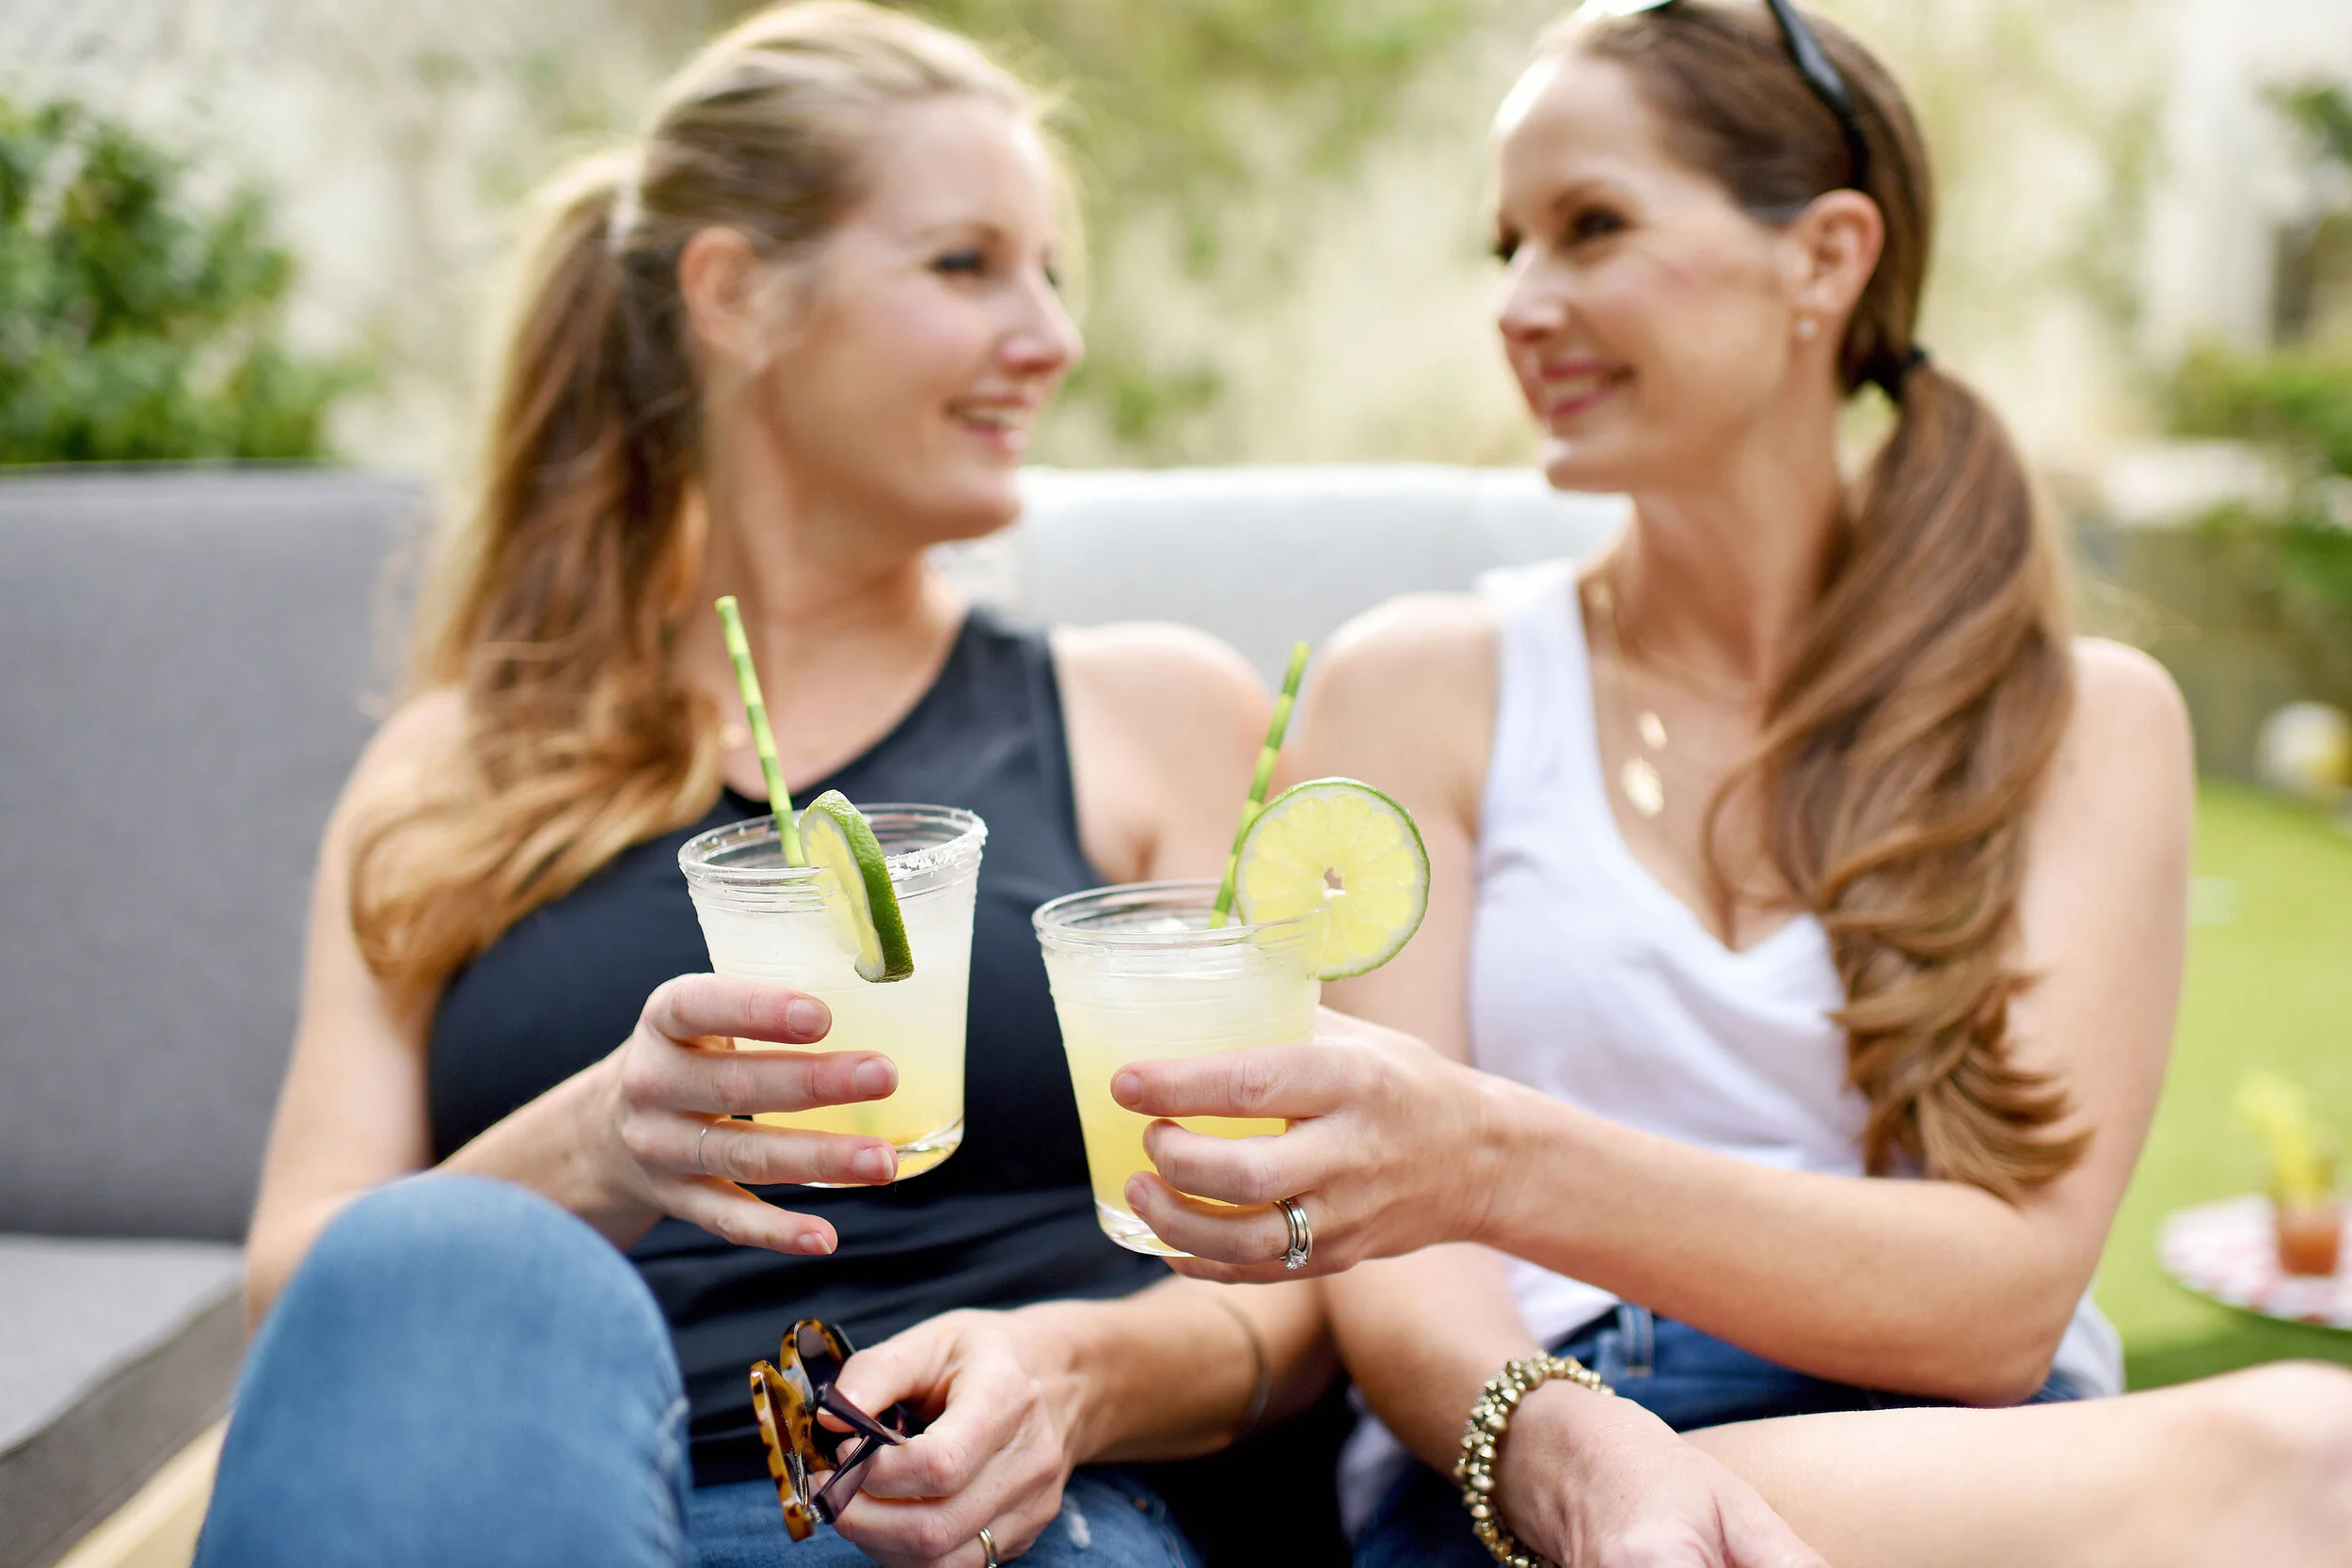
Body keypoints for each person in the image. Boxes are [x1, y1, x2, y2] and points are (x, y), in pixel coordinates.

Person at [1104, 3, 2352, 1564]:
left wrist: (1490, 1154)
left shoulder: (2086, 720)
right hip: (1549, 1445)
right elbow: (1400, 1268)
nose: (1523, 304)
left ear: (1825, 257)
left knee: (2323, 1457)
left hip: (1977, 1465)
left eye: (1592, 227)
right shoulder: (1417, 687)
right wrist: (1565, 1450)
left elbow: (2002, 1305)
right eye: (1509, 248)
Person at [196, 7, 1329, 1566]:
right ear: (733, 294)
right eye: (965, 264)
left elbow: (1314, 1270)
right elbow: (306, 1303)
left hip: (984, 1515)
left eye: (1050, 274)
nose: (1052, 338)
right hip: (521, 1503)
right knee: (453, 1277)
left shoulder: (1152, 717)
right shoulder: (454, 768)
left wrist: (1073, 1372)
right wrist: (591, 1147)